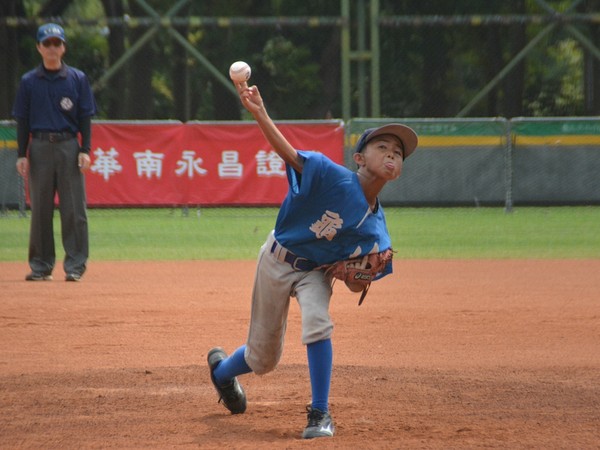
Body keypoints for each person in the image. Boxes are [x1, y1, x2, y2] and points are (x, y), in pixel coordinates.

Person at [207, 80, 418, 439]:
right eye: (382, 147)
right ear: (359, 157)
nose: (391, 154)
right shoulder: (328, 174)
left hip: (315, 274)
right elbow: (288, 153)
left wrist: (358, 276)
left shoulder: (377, 231)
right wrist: (261, 113)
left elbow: (354, 286)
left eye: (398, 153)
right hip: (277, 259)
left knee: (318, 321)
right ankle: (222, 374)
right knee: (262, 360)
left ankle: (320, 413)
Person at [12, 23, 97, 282]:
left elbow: (85, 117)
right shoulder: (29, 81)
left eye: (56, 43)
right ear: (38, 47)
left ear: (63, 48)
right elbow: (23, 120)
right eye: (46, 43)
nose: (52, 48)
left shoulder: (76, 78)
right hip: (38, 146)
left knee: (74, 209)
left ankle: (75, 265)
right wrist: (21, 153)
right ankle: (40, 265)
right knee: (40, 209)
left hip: (68, 145)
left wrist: (85, 149)